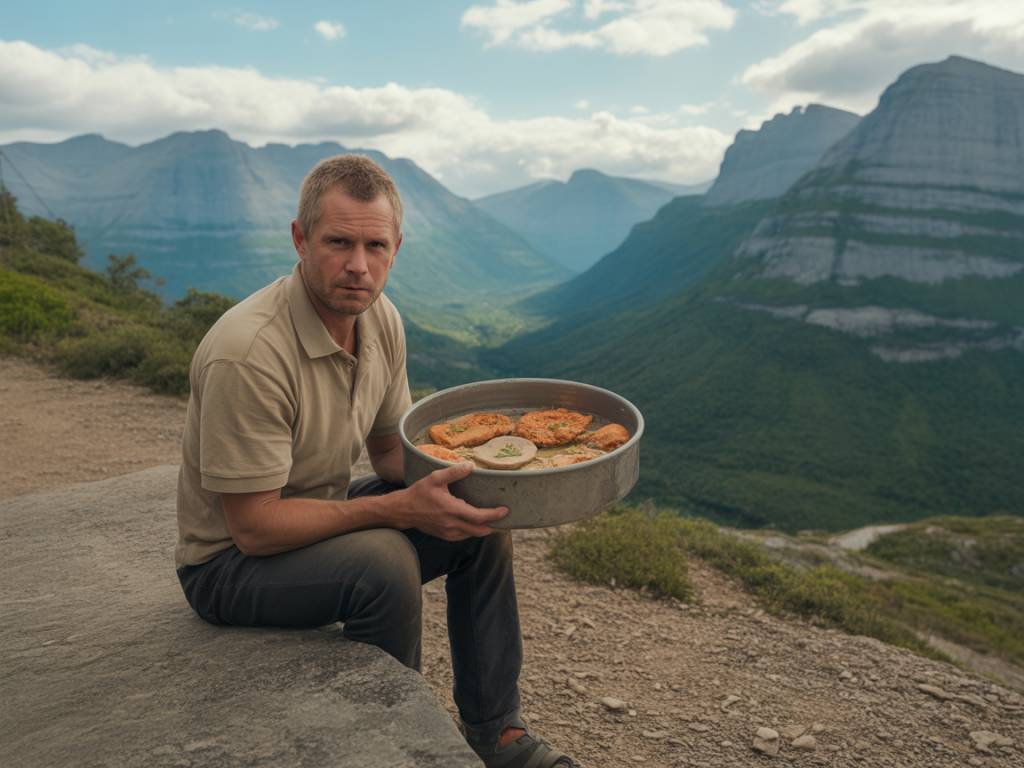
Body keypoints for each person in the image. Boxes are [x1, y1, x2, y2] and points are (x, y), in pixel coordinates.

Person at [174, 154, 579, 768]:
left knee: (474, 522)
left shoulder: (379, 319)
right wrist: (398, 510)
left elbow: (391, 452)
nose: (358, 266)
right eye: (338, 242)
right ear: (300, 239)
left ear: (397, 247)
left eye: (375, 245)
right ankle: (392, 751)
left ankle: (496, 734)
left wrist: (485, 473)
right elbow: (253, 528)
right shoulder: (249, 353)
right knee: (384, 562)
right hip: (228, 565)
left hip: (316, 518)